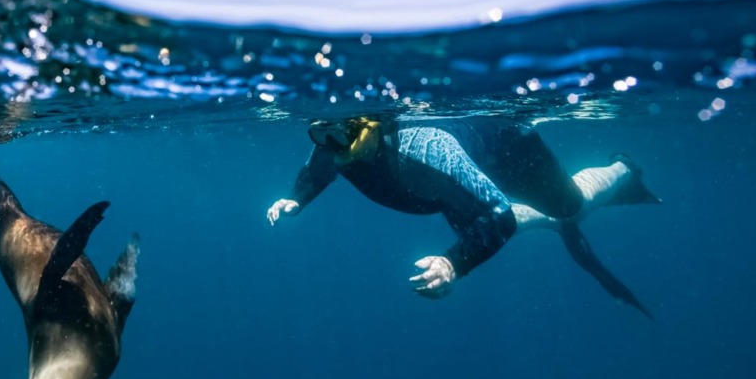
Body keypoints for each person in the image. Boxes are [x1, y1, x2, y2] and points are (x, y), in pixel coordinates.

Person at [266, 116, 659, 316]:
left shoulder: (426, 150)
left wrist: (453, 262)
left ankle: (624, 169)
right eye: (323, 137)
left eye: (341, 136)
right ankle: (555, 222)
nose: (332, 147)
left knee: (570, 206)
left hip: (511, 150)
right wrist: (295, 199)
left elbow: (500, 217)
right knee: (483, 220)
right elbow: (318, 169)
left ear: (371, 129)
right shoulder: (336, 147)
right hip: (453, 191)